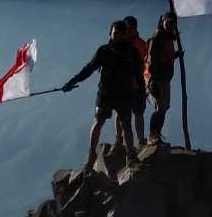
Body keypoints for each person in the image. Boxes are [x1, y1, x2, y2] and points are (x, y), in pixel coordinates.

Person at [62, 20, 140, 170]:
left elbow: (138, 73)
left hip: (123, 94)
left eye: (120, 33)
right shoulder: (105, 51)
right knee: (99, 122)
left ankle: (131, 156)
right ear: (110, 33)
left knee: (125, 125)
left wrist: (140, 89)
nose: (117, 36)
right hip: (107, 93)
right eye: (115, 32)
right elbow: (90, 68)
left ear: (125, 34)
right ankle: (91, 157)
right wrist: (72, 81)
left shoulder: (131, 51)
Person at [145, 11, 182, 144]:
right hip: (156, 78)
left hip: (164, 78)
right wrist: (154, 80)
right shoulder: (157, 38)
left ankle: (156, 134)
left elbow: (164, 57)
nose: (171, 25)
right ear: (162, 22)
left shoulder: (168, 37)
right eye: (168, 23)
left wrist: (176, 55)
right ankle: (152, 135)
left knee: (165, 106)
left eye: (173, 23)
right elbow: (151, 60)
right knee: (160, 107)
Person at [114, 15, 148, 148]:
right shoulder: (118, 45)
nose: (129, 30)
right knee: (120, 113)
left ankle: (140, 140)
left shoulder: (142, 44)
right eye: (127, 28)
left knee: (138, 113)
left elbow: (147, 65)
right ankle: (119, 139)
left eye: (131, 27)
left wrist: (145, 81)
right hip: (122, 85)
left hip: (137, 85)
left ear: (135, 28)